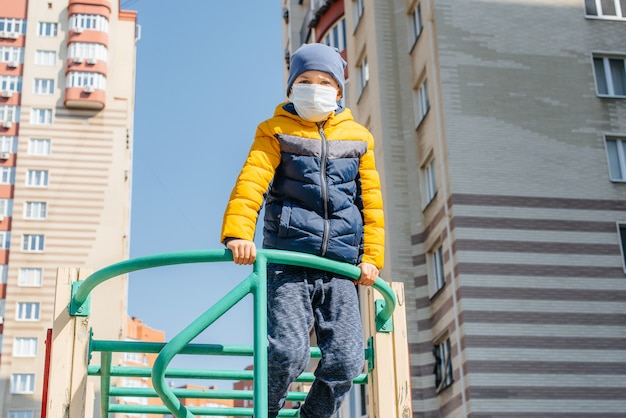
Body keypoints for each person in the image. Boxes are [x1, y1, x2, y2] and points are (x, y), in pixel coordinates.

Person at [220, 42, 385, 418]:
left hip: (340, 267)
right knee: (288, 351)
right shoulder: (275, 130)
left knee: (346, 359)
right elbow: (251, 183)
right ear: (292, 89)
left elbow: (371, 202)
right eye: (305, 81)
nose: (314, 88)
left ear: (339, 92)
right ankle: (266, 412)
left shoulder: (358, 139)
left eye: (323, 81)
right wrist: (238, 234)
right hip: (289, 260)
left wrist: (372, 258)